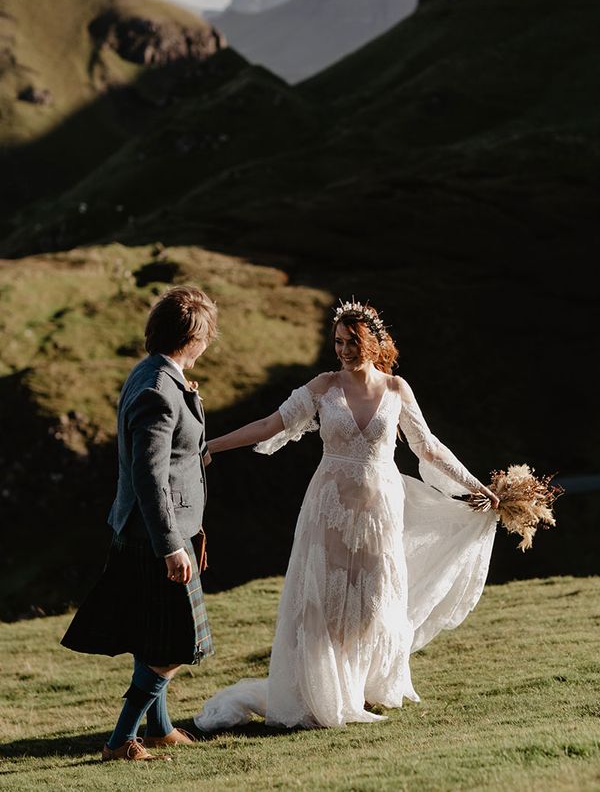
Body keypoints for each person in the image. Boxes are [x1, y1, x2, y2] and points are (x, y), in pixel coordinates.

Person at [194, 300, 499, 731]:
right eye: (338, 341)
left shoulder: (397, 390)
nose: (343, 350)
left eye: (352, 341)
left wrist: (475, 486)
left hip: (380, 510)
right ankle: (323, 695)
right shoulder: (324, 386)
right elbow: (269, 425)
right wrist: (211, 447)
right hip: (330, 508)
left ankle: (353, 687)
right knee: (327, 601)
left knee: (371, 604)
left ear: (373, 342)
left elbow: (427, 447)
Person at [61, 285, 218, 762]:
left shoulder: (152, 374)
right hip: (156, 533)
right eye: (207, 334)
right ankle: (119, 741)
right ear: (192, 338)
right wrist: (170, 545)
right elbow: (150, 476)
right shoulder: (158, 390)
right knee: (176, 643)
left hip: (151, 527)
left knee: (153, 634)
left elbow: (167, 457)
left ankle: (160, 727)